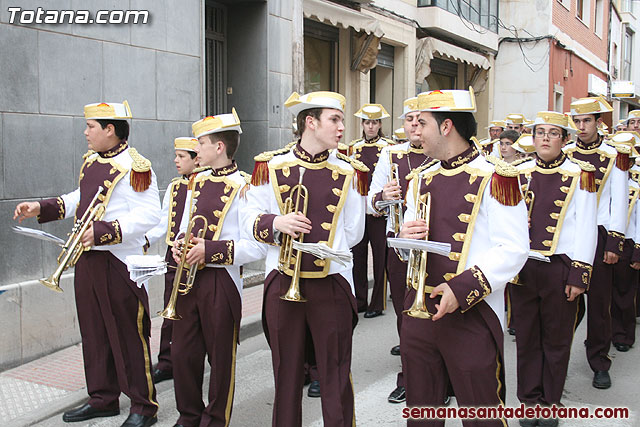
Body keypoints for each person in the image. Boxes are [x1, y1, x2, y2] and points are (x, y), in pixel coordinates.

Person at [14, 101, 161, 427]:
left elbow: (151, 214)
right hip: (88, 260)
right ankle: (103, 398)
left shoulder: (136, 166)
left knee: (128, 334)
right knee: (94, 333)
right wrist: (40, 206)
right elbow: (78, 198)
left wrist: (105, 231)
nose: (85, 132)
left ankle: (143, 406)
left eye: (90, 126)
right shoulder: (91, 162)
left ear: (110, 129)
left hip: (120, 261)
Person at [398, 88, 529, 426]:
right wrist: (403, 239)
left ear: (446, 127)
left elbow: (515, 248)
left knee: (481, 414)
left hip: (473, 311)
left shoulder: (496, 177)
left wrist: (462, 288)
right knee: (422, 415)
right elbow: (409, 249)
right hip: (421, 310)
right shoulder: (420, 178)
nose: (414, 130)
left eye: (421, 123)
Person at [243, 91, 368, 427]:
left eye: (341, 120)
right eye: (335, 120)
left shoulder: (350, 171)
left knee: (336, 372)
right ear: (310, 122)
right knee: (285, 374)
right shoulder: (270, 165)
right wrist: (276, 223)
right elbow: (248, 217)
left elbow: (354, 232)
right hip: (284, 280)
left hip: (332, 282)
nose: (342, 127)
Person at [166, 111, 265, 427]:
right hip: (188, 280)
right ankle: (188, 416)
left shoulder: (246, 186)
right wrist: (179, 243)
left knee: (221, 359)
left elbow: (256, 246)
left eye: (202, 142)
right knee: (183, 353)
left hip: (221, 281)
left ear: (219, 146)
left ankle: (215, 420)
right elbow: (184, 226)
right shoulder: (197, 181)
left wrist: (210, 250)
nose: (197, 148)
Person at [513, 111, 598, 427]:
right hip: (523, 267)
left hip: (559, 267)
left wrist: (580, 274)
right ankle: (529, 401)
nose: (545, 138)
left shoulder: (579, 174)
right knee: (526, 337)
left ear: (565, 139)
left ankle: (550, 402)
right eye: (540, 132)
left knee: (557, 340)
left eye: (553, 133)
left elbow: (586, 227)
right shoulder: (517, 172)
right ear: (532, 137)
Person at [367, 96, 431, 404]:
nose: (415, 126)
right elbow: (370, 201)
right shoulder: (390, 154)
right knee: (405, 314)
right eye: (409, 120)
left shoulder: (441, 153)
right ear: (402, 125)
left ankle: (438, 381)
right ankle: (408, 377)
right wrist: (382, 194)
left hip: (433, 247)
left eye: (421, 119)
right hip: (398, 245)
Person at [565, 96, 629, 390]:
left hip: (601, 234)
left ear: (598, 122)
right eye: (576, 121)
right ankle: (558, 354)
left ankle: (600, 362)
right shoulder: (564, 153)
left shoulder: (614, 155)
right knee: (564, 300)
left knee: (599, 305)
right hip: (569, 236)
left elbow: (619, 201)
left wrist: (614, 243)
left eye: (586, 121)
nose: (580, 126)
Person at [145, 137, 199, 385]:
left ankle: (198, 358)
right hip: (174, 255)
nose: (176, 161)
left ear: (196, 158)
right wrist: (146, 239)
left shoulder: (209, 184)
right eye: (176, 156)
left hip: (198, 255)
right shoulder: (175, 187)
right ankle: (166, 362)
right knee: (171, 307)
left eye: (181, 157)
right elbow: (163, 220)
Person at [350, 103, 393, 318]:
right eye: (367, 122)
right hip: (359, 210)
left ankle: (377, 303)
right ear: (362, 124)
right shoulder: (353, 148)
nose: (370, 126)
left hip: (379, 211)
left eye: (374, 122)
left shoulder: (389, 147)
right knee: (357, 256)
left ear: (380, 125)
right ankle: (359, 300)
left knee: (380, 258)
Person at [609, 132, 640, 353]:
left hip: (628, 243)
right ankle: (606, 332)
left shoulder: (636, 186)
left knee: (625, 293)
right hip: (607, 240)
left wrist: (638, 251)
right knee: (605, 296)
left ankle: (624, 335)